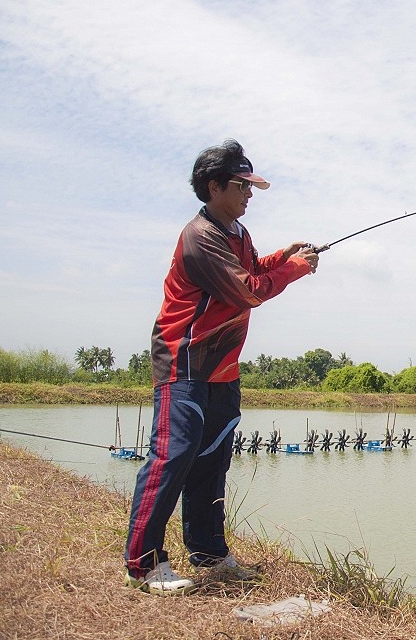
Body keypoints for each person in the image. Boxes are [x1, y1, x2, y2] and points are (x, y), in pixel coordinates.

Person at [124, 139, 319, 595]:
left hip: (223, 368)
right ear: (213, 187)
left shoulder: (236, 233)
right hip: (185, 362)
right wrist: (292, 270)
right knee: (172, 457)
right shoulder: (199, 238)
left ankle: (209, 552)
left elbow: (251, 268)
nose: (250, 194)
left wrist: (282, 256)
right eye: (241, 185)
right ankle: (144, 563)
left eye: (251, 186)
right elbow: (247, 290)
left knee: (213, 460)